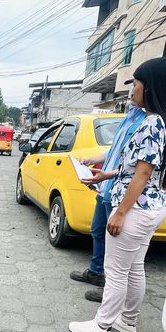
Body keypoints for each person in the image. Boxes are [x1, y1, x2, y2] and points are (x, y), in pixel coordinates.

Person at [69, 57, 166, 332]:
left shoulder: (152, 123)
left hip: (135, 208)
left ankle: (102, 326)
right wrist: (105, 175)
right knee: (134, 268)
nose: (132, 89)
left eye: (136, 83)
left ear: (150, 87)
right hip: (149, 207)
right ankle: (128, 321)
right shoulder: (156, 121)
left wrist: (121, 212)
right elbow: (135, 168)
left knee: (115, 271)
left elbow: (143, 174)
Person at [70, 100, 146, 303]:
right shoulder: (128, 118)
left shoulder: (147, 122)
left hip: (119, 190)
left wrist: (108, 176)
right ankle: (96, 272)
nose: (131, 92)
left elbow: (137, 167)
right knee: (97, 231)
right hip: (105, 188)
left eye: (135, 86)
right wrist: (92, 160)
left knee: (115, 243)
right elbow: (113, 151)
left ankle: (110, 290)